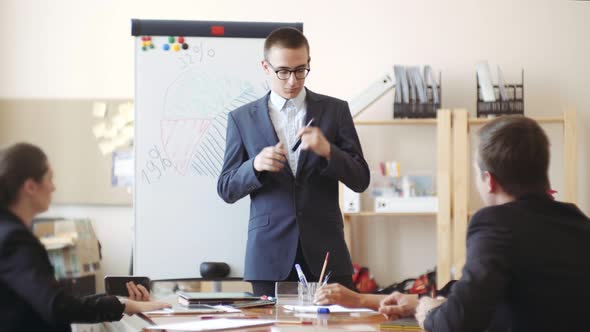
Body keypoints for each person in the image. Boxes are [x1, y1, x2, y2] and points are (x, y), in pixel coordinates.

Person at [376, 116, 590, 331]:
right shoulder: (579, 223)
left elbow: (455, 326)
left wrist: (428, 312)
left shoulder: (495, 223)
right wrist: (424, 300)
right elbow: (517, 297)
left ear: (489, 180)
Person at [217, 27, 370, 296]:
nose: (292, 80)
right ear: (265, 67)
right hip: (268, 257)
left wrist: (328, 151)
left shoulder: (336, 111)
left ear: (309, 63)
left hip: (326, 253)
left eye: (301, 70)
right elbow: (226, 188)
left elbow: (360, 179)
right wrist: (254, 166)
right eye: (283, 71)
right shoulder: (241, 118)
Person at [0, 142, 170, 332]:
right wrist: (124, 306)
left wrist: (119, 302)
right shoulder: (14, 241)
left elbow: (59, 301)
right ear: (30, 186)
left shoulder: (9, 232)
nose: (53, 187)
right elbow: (58, 306)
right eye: (49, 179)